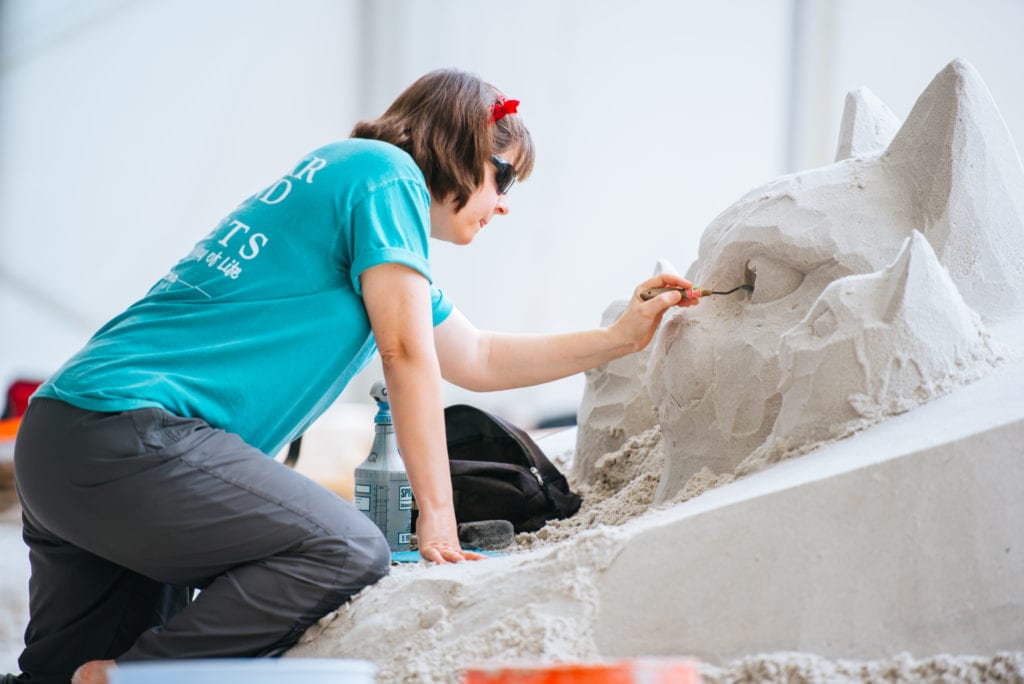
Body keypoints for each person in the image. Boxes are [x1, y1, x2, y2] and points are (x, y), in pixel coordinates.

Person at [6, 68, 696, 684]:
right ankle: (134, 679)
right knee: (343, 547)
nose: (505, 203)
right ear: (456, 145)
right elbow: (406, 353)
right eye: (504, 176)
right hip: (130, 437)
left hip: (62, 439)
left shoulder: (354, 199)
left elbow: (475, 356)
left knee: (60, 674)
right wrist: (438, 518)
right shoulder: (385, 175)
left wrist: (617, 340)